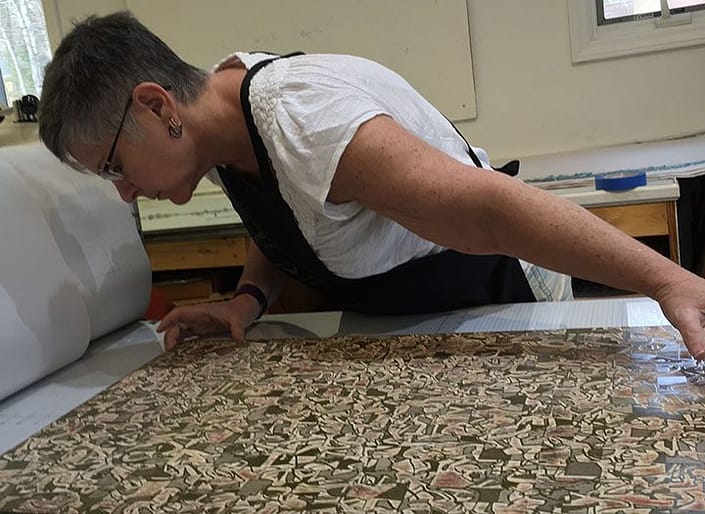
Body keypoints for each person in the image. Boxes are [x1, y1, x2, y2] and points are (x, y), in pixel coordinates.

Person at [39, 12, 705, 358]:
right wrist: (246, 300)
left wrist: (667, 282)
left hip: (495, 298)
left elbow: (490, 213)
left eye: (113, 167)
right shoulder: (213, 124)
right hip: (416, 327)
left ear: (157, 107)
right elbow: (289, 216)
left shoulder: (306, 121)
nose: (122, 192)